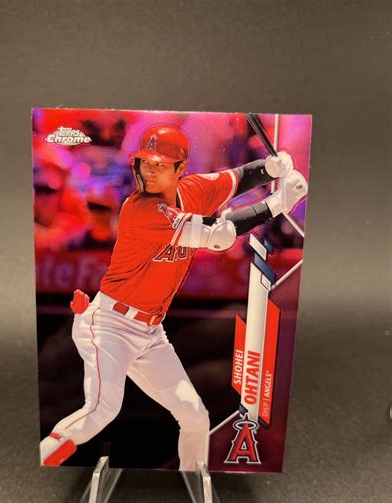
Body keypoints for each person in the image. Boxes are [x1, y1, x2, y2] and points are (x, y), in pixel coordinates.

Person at [39, 124, 307, 470]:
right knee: (101, 410)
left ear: (180, 168)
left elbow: (237, 178)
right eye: (145, 163)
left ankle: (190, 480)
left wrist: (268, 168)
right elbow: (219, 235)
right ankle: (40, 463)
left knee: (194, 415)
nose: (149, 171)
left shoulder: (193, 190)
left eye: (160, 164)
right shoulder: (141, 210)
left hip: (150, 332)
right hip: (109, 326)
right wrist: (279, 202)